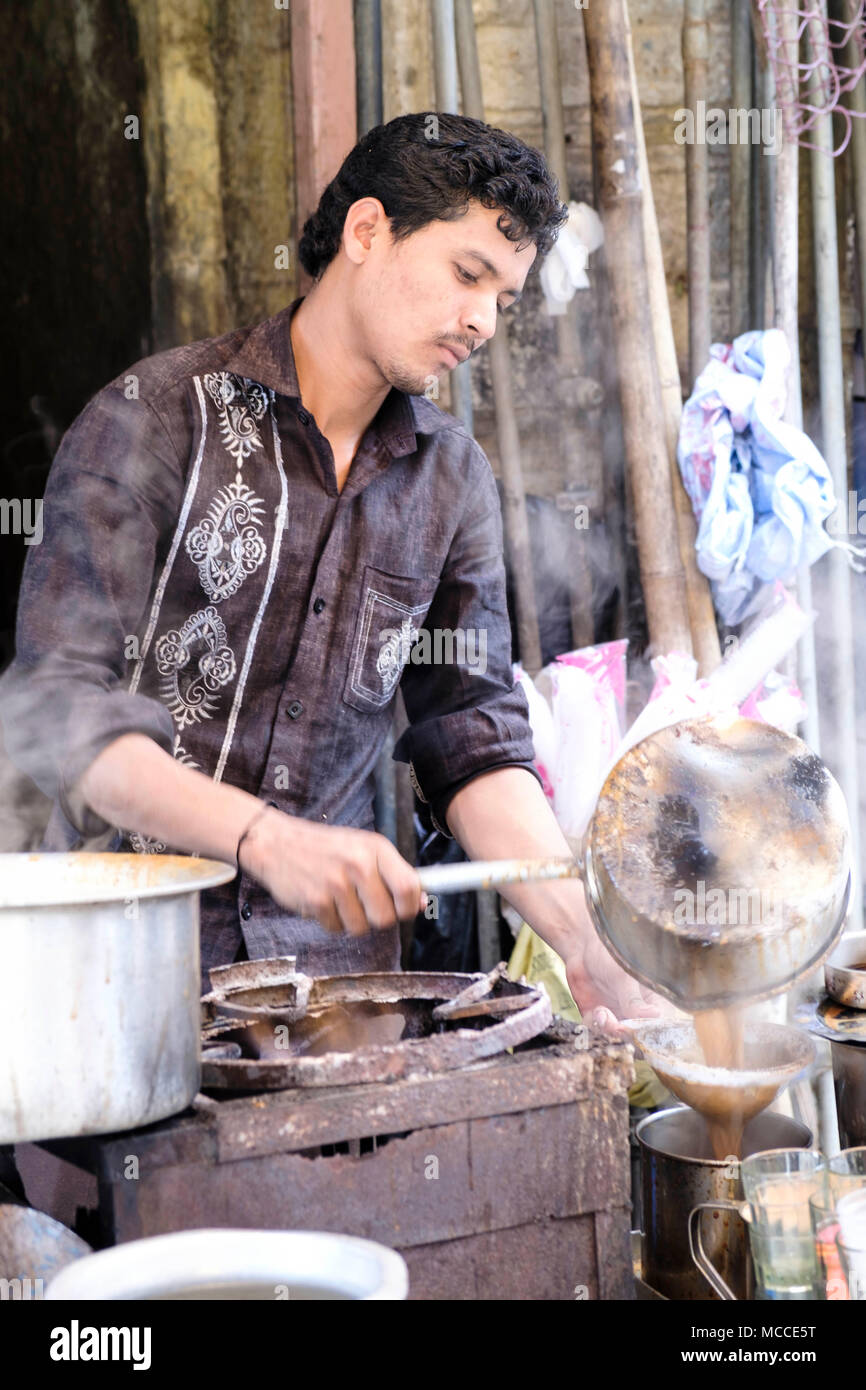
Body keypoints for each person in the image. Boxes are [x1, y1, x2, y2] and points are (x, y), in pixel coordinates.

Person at [0, 112, 662, 1029]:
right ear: (366, 231)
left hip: (343, 1004)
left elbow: (470, 737)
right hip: (125, 983)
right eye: (468, 274)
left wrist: (584, 942)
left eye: (503, 300)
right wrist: (262, 839)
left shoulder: (452, 476)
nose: (481, 320)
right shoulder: (154, 420)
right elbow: (59, 709)